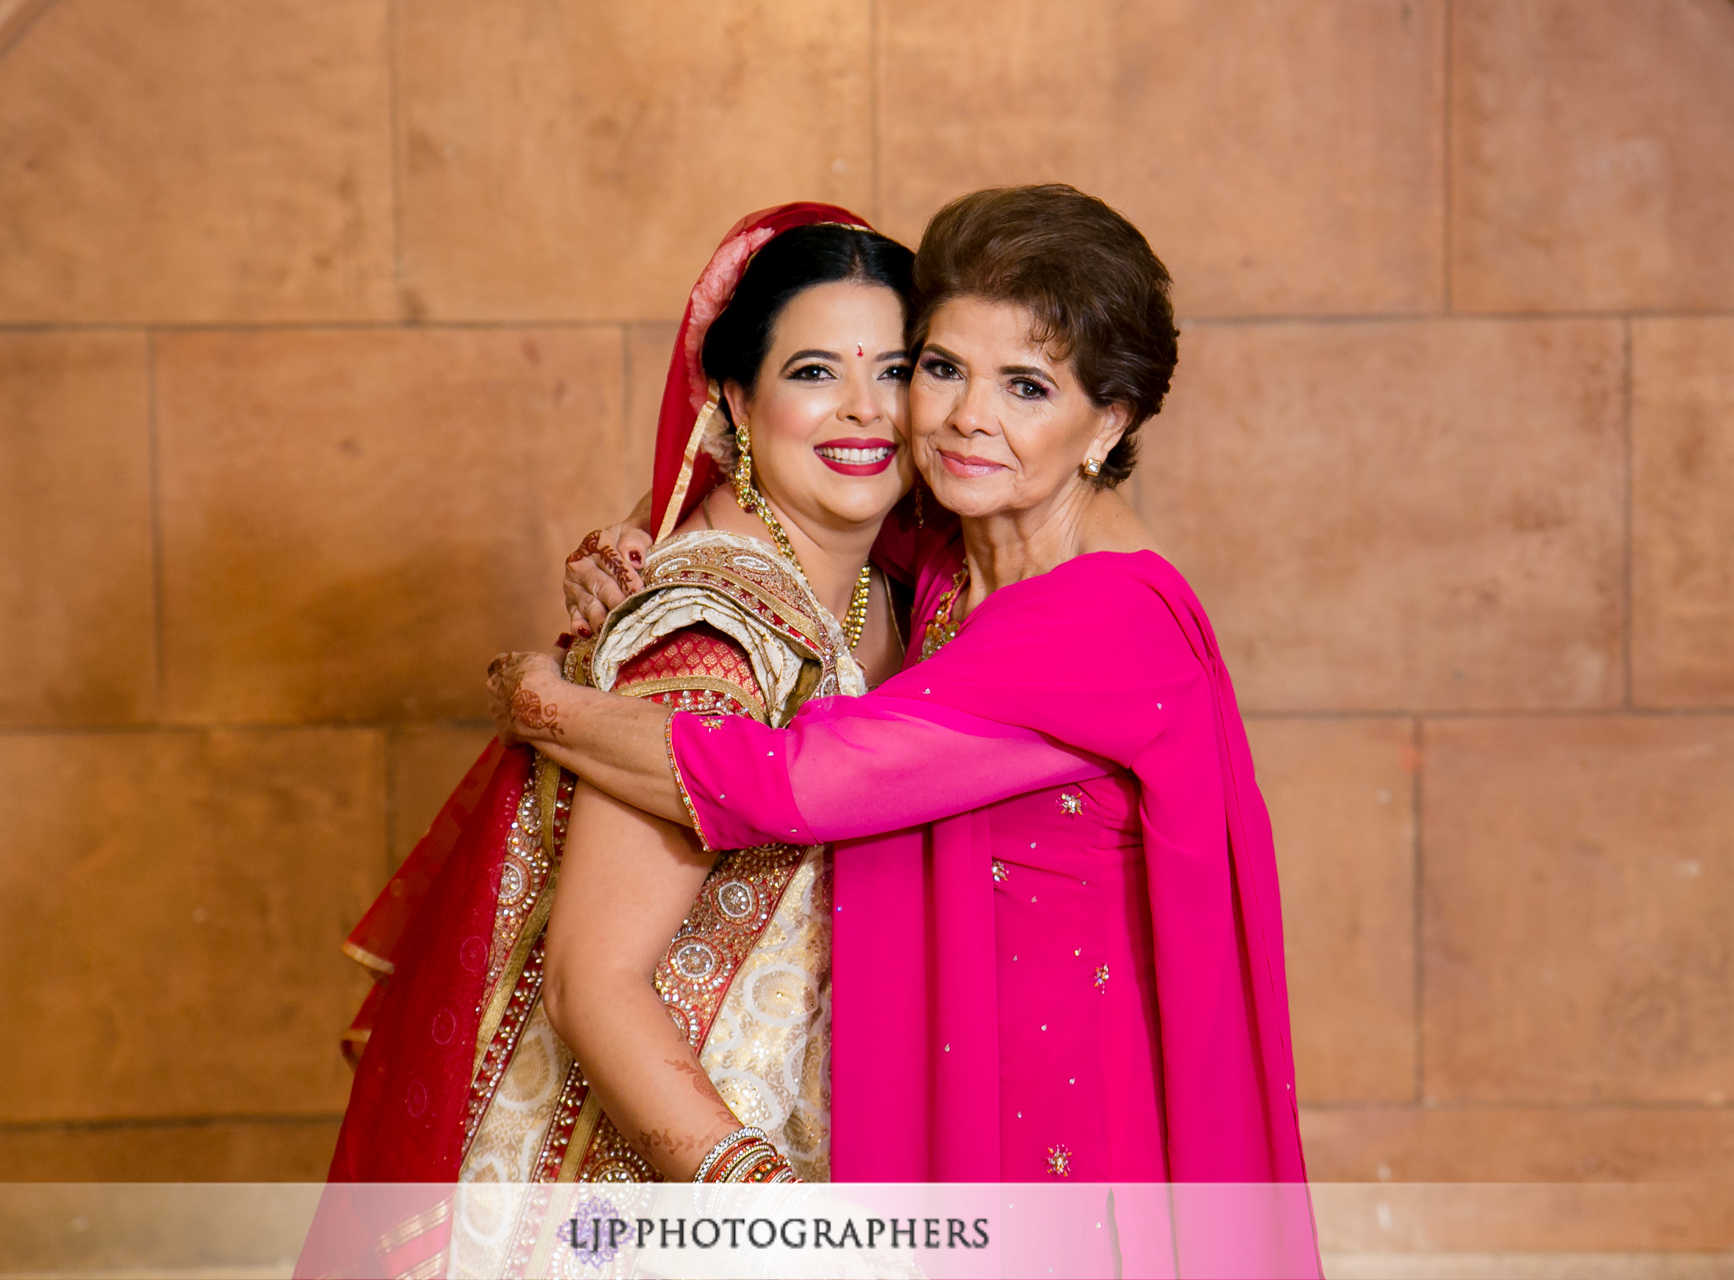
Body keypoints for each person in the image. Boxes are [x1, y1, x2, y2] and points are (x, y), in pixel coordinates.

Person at [499, 186, 1313, 1204]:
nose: (968, 417)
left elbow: (790, 783)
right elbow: (798, 480)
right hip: (943, 1123)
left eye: (1027, 386)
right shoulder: (951, 556)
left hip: (1064, 1146)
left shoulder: (1109, 624)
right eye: (939, 368)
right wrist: (629, 536)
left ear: (1108, 421)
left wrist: (540, 698)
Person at [312, 203, 916, 1228]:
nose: (865, 409)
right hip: (659, 1199)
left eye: (897, 371)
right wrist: (769, 1215)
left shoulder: (891, 588)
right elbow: (592, 981)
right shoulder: (716, 631)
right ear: (734, 394)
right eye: (815, 372)